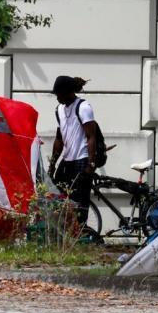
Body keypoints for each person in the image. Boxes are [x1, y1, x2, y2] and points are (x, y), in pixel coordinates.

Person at [48, 75, 99, 228]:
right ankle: (63, 233)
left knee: (79, 202)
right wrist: (52, 164)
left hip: (82, 159)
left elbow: (91, 137)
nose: (57, 97)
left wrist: (91, 163)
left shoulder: (83, 107)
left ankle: (80, 234)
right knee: (57, 196)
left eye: (59, 93)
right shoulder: (59, 110)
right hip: (67, 161)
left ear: (68, 92)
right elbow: (59, 139)